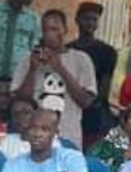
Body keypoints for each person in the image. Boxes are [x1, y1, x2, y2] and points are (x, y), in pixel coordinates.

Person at [12, 9, 97, 148]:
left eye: (54, 29)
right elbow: (20, 102)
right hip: (35, 137)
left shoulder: (81, 59)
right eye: (45, 30)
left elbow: (86, 101)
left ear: (65, 30)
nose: (49, 34)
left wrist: (60, 68)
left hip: (68, 136)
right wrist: (32, 70)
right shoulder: (27, 60)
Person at [68, 1, 118, 147]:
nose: (90, 23)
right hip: (71, 110)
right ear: (77, 20)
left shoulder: (107, 52)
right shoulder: (68, 50)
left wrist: (90, 101)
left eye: (94, 19)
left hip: (95, 115)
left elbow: (105, 85)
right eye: (86, 18)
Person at [0, 94, 39, 160]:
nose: (21, 117)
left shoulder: (50, 142)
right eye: (16, 114)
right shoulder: (4, 142)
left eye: (26, 112)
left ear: (37, 114)